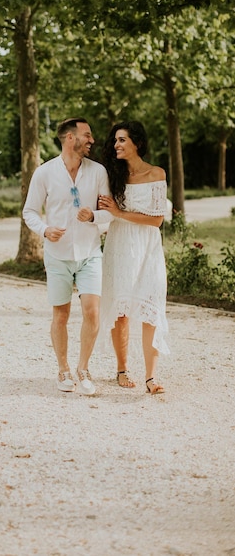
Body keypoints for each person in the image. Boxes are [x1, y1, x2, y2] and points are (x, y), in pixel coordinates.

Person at [23, 117, 113, 395]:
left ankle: (83, 368)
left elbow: (110, 213)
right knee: (61, 315)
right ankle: (62, 369)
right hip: (58, 256)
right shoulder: (45, 173)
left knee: (92, 312)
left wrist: (94, 216)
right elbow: (29, 212)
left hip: (89, 254)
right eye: (87, 135)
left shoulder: (98, 172)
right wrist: (45, 229)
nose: (92, 140)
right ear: (70, 138)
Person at [97, 120, 169, 394]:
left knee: (151, 307)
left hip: (148, 248)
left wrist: (120, 213)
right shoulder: (112, 176)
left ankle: (151, 377)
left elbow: (157, 220)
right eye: (115, 140)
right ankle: (122, 369)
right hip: (120, 245)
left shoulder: (156, 174)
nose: (116, 144)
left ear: (137, 143)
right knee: (122, 311)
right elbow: (104, 210)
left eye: (122, 139)